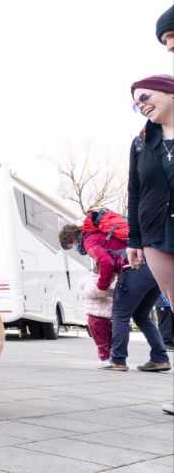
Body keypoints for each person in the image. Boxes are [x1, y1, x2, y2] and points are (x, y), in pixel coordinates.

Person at [59, 223, 170, 373]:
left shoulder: (89, 240)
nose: (74, 249)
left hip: (134, 270)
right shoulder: (103, 235)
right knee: (141, 316)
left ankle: (118, 360)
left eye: (70, 246)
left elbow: (106, 262)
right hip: (154, 270)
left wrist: (101, 287)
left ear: (72, 239)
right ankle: (160, 358)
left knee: (119, 315)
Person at [126, 74, 174, 306]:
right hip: (155, 237)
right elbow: (134, 193)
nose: (141, 105)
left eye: (145, 97)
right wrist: (134, 240)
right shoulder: (140, 143)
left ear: (170, 91)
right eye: (137, 103)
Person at [78, 271, 114, 366]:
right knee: (102, 342)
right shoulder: (89, 280)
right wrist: (106, 287)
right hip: (96, 317)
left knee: (111, 341)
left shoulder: (111, 278)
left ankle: (110, 358)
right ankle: (103, 360)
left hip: (109, 317)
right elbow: (92, 292)